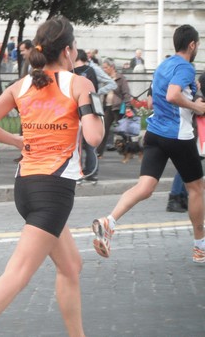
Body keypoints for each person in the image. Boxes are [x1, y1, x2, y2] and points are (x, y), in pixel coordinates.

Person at [0, 17, 104, 337]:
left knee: (71, 267)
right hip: (53, 190)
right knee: (18, 272)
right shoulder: (80, 84)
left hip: (25, 187)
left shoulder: (22, 85)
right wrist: (91, 112)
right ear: (68, 51)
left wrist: (17, 141)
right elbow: (95, 138)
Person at [92, 24, 205, 265]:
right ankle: (200, 247)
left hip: (154, 133)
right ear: (192, 45)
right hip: (178, 135)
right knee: (196, 189)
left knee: (144, 188)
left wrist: (193, 94)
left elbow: (154, 101)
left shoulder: (164, 65)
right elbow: (173, 95)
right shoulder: (186, 66)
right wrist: (196, 107)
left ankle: (109, 221)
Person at [73, 49, 100, 182]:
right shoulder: (72, 71)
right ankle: (82, 172)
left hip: (86, 110)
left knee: (88, 144)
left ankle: (90, 171)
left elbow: (94, 90)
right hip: (78, 111)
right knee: (77, 144)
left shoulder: (88, 71)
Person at [96, 58, 131, 156]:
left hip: (118, 107)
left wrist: (127, 105)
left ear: (112, 67)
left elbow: (126, 92)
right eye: (103, 68)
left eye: (106, 67)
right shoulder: (105, 78)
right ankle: (99, 152)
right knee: (104, 129)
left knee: (122, 129)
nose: (104, 69)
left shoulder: (121, 78)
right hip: (107, 107)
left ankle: (129, 149)